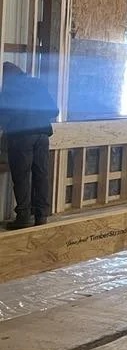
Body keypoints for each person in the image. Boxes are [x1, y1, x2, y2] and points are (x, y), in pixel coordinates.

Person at [0, 63, 59, 230]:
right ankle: (41, 216)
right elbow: (54, 110)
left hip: (21, 136)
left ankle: (23, 217)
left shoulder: (8, 89)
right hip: (42, 134)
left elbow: (2, 114)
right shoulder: (37, 84)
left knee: (21, 177)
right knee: (41, 174)